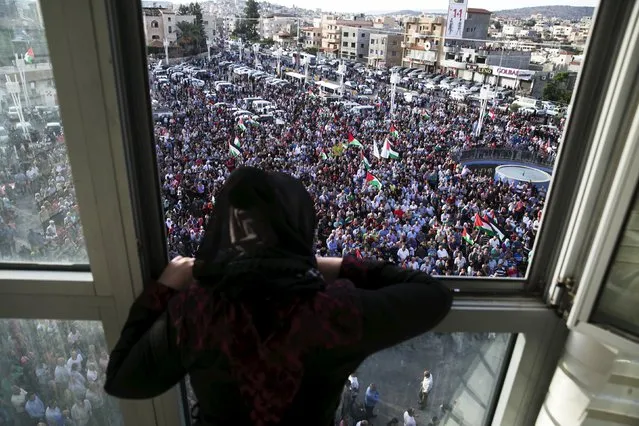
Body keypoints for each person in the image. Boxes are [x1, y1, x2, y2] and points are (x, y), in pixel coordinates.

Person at [104, 167, 453, 426]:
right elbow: (434, 295)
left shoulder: (196, 312)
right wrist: (331, 265)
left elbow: (123, 380)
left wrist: (164, 288)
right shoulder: (336, 313)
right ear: (300, 229)